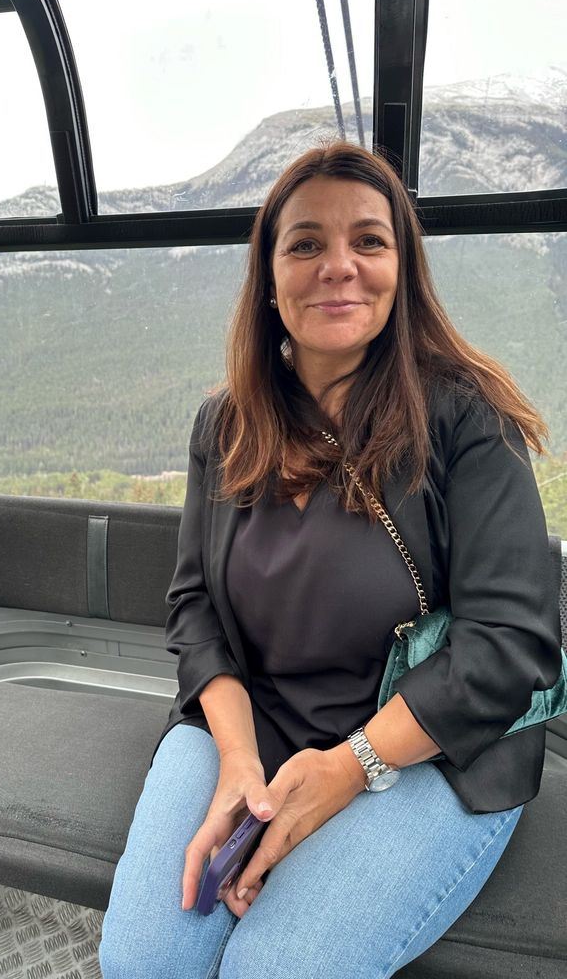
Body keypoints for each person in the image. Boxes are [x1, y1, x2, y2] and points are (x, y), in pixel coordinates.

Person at [98, 142, 563, 979]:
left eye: (369, 243)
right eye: (305, 243)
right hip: (257, 723)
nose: (338, 267)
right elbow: (196, 605)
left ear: (401, 269)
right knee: (146, 963)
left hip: (428, 746)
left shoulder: (465, 420)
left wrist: (351, 767)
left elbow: (510, 645)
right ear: (268, 277)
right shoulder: (226, 423)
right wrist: (238, 761)